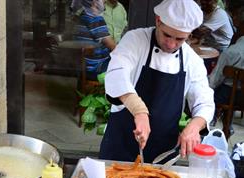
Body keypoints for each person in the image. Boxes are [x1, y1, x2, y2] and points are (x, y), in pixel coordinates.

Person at [99, 0, 215, 163]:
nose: (171, 44)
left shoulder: (191, 60)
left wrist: (194, 126)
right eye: (167, 35)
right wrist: (139, 111)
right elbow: (117, 74)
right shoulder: (135, 40)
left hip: (162, 151)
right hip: (121, 142)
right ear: (158, 20)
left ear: (189, 34)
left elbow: (205, 102)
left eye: (179, 39)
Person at [209, 4, 244, 134]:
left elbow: (213, 82)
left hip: (230, 96)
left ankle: (208, 122)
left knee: (209, 90)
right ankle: (227, 125)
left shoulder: (231, 52)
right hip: (240, 95)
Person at [71, 0, 116, 79]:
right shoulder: (95, 19)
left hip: (83, 66)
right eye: (103, 2)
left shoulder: (82, 16)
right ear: (95, 3)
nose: (104, 5)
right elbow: (112, 46)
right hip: (96, 68)